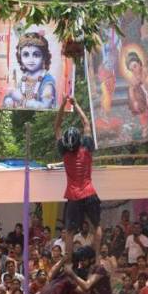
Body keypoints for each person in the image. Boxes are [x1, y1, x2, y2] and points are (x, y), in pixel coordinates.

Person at [55, 95, 101, 254]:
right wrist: (76, 104)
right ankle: (96, 259)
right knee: (96, 227)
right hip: (89, 192)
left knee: (69, 231)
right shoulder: (87, 148)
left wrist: (62, 106)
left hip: (74, 195)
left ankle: (67, 261)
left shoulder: (64, 152)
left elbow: (57, 127)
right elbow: (86, 123)